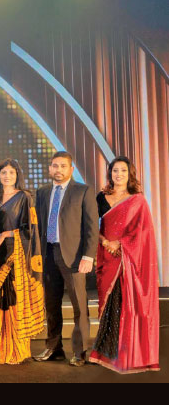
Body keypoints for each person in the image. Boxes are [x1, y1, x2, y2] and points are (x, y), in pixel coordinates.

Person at [88, 156, 160, 373]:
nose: (118, 174)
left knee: (125, 303)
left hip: (129, 258)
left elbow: (143, 232)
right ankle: (106, 350)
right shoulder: (101, 197)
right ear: (110, 174)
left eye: (123, 171)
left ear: (130, 175)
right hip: (107, 256)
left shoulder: (137, 200)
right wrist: (105, 242)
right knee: (109, 304)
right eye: (115, 171)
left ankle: (127, 352)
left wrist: (120, 244)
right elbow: (91, 225)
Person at [33, 151, 98, 367]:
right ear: (50, 168)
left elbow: (91, 227)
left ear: (71, 169)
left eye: (63, 166)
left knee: (79, 306)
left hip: (74, 257)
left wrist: (88, 256)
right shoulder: (42, 192)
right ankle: (54, 348)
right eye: (55, 166)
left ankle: (80, 351)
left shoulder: (83, 191)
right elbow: (39, 225)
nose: (58, 170)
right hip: (48, 254)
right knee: (51, 305)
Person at [0, 159, 45, 364]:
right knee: (1, 301)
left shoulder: (24, 197)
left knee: (15, 300)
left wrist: (7, 233)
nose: (7, 176)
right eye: (3, 172)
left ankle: (18, 350)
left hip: (16, 256)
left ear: (17, 175)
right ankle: (1, 348)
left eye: (11, 173)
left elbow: (30, 228)